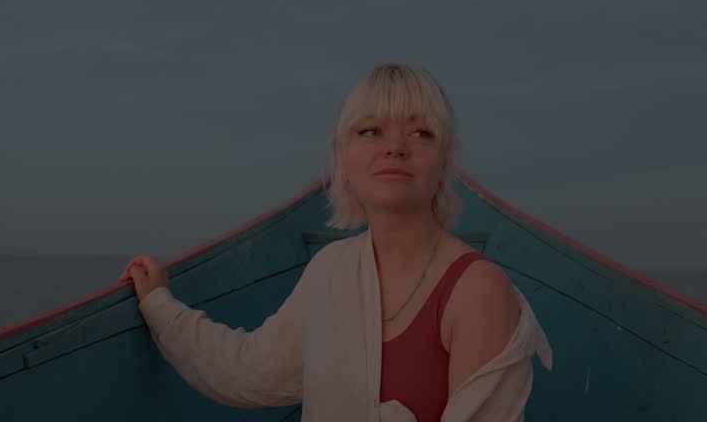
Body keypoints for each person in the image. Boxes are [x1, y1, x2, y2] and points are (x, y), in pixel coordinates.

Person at [118, 63, 552, 421]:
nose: (395, 147)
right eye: (370, 131)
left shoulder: (477, 291)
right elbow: (250, 370)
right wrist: (159, 304)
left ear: (444, 162)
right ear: (342, 159)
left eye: (420, 133)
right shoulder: (331, 270)